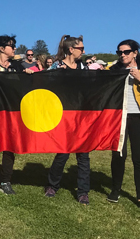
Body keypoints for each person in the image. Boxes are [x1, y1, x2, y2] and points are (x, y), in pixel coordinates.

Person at [107, 39, 140, 211]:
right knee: (118, 156)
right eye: (119, 52)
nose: (122, 55)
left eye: (126, 52)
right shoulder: (113, 71)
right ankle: (116, 190)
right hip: (119, 118)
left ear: (135, 53)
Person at [0, 35, 34, 194]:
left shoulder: (18, 66)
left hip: (12, 113)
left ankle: (6, 181)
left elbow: (24, 87)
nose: (15, 48)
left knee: (9, 146)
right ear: (2, 49)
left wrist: (29, 76)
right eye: (12, 46)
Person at [43, 35, 91, 205]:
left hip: (81, 116)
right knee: (63, 152)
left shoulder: (83, 66)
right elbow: (45, 85)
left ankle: (83, 191)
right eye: (81, 48)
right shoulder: (57, 66)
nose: (84, 51)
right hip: (63, 116)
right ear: (71, 49)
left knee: (83, 154)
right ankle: (52, 185)